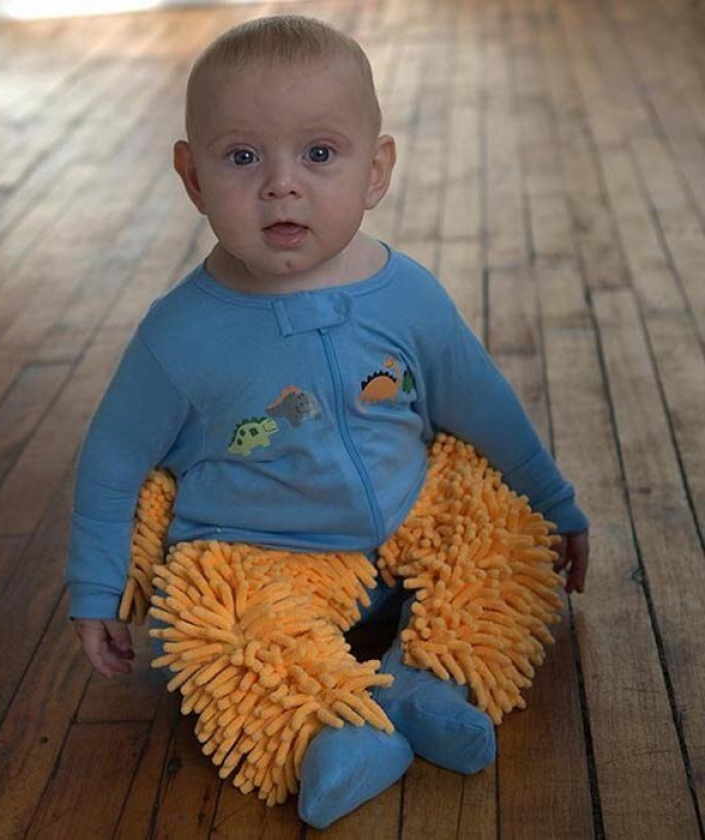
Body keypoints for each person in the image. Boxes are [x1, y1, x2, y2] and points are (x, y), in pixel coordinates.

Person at [64, 14, 590, 828]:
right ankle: (324, 733)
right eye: (243, 157)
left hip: (408, 514)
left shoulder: (406, 295)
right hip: (262, 550)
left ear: (374, 171)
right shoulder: (179, 336)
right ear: (193, 177)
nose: (282, 185)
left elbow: (480, 401)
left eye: (318, 153)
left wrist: (554, 504)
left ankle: (434, 681)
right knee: (220, 632)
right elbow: (111, 462)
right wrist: (97, 588)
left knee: (499, 538)